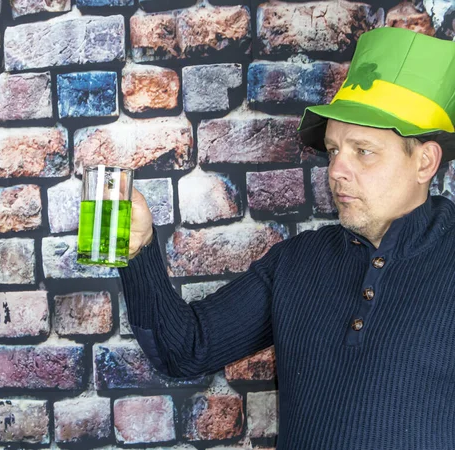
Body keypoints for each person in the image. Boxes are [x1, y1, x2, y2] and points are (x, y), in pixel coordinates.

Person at [118, 26, 455, 449]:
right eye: (334, 150)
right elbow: (183, 349)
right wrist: (137, 249)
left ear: (425, 161)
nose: (336, 171)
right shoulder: (297, 262)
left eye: (363, 151)